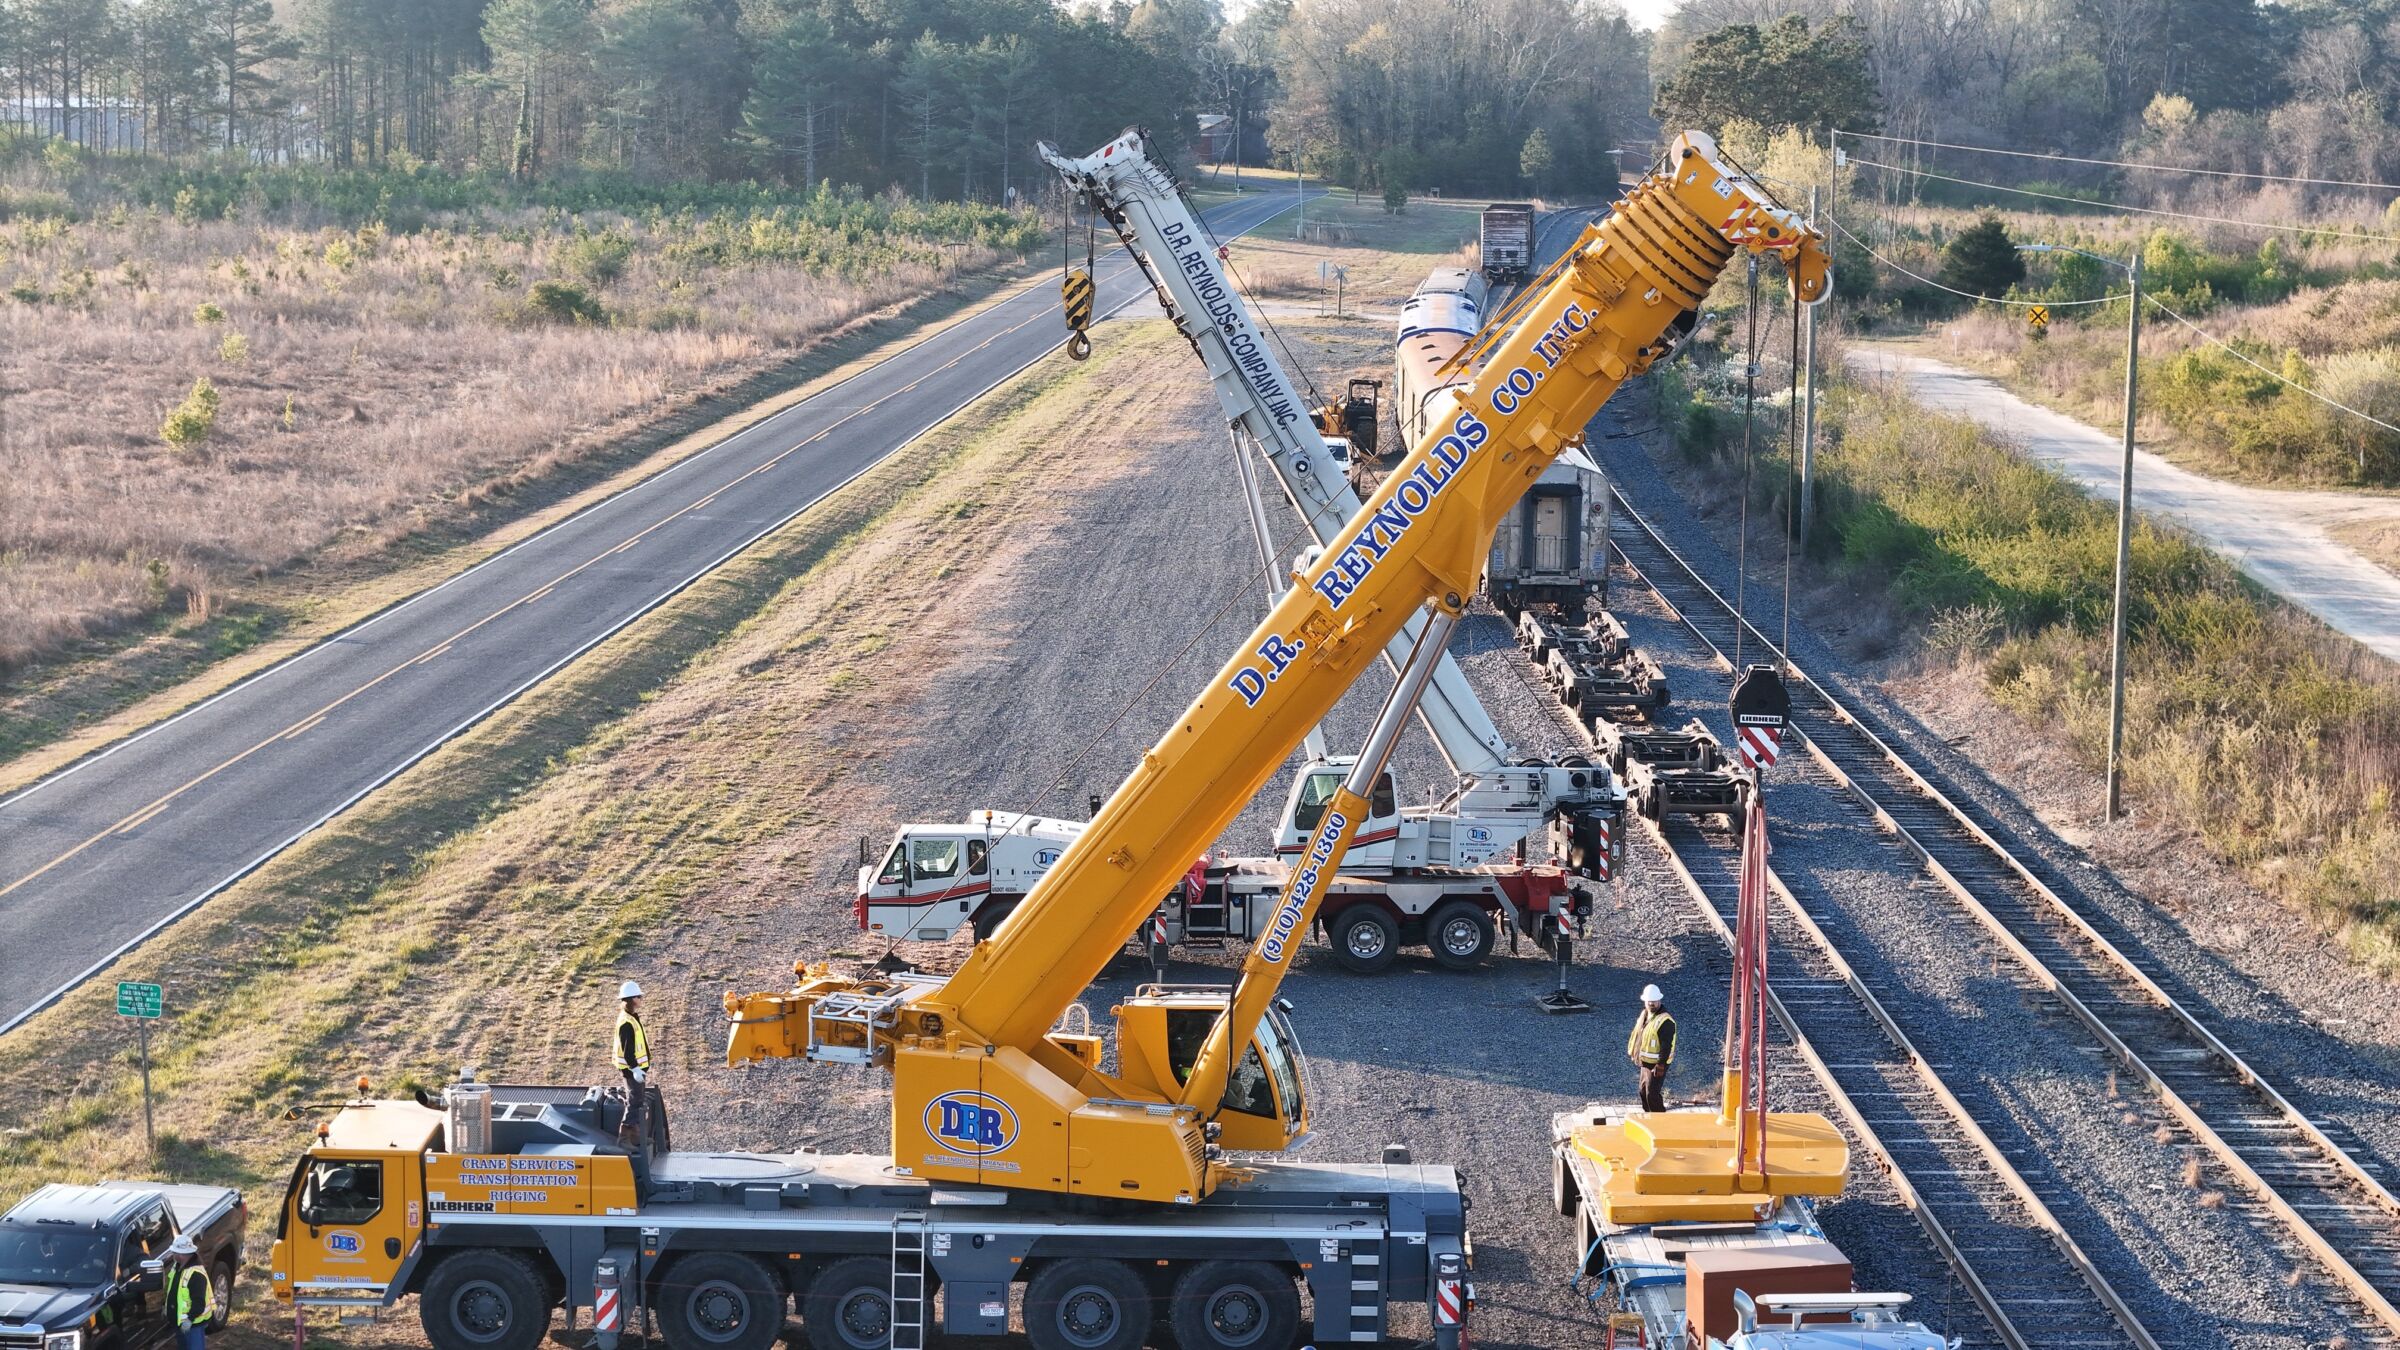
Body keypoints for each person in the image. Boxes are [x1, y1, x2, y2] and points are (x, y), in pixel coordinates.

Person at [613, 980, 651, 1148]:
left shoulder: (631, 1017)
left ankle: (635, 1138)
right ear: (632, 999)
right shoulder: (627, 1022)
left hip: (636, 1069)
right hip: (632, 1070)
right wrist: (635, 1068)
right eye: (639, 996)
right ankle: (624, 1139)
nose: (641, 999)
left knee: (638, 1100)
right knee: (634, 1101)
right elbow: (627, 1050)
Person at [1626, 984, 1675, 1113]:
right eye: (1649, 1001)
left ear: (1659, 1001)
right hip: (1645, 1062)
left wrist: (1661, 1065)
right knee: (1643, 1091)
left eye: (1654, 1001)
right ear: (1645, 1002)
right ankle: (1649, 1117)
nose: (1651, 1004)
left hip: (1657, 1064)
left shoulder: (1665, 1021)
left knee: (1652, 1094)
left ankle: (1659, 1120)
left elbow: (1666, 1045)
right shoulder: (1645, 1015)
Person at [167, 1235, 211, 1350]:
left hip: (193, 1325)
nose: (172, 1255)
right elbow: (173, 1291)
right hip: (181, 1323)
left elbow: (199, 1302)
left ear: (181, 1255)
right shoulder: (177, 1267)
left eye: (174, 1252)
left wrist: (189, 1320)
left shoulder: (196, 1274)